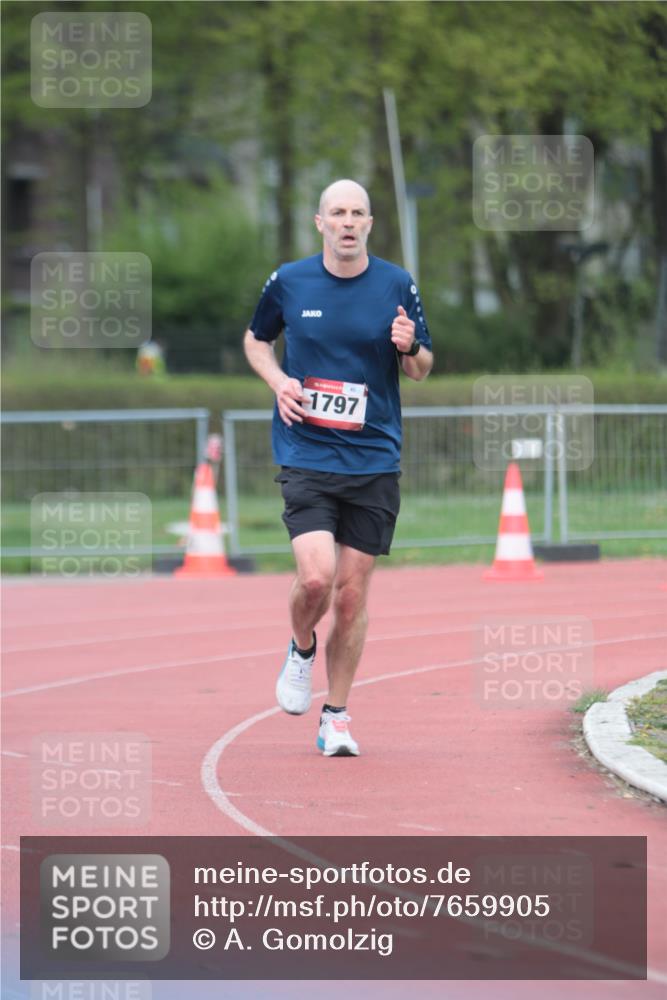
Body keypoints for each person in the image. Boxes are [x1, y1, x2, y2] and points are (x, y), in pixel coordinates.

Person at [243, 178, 433, 757]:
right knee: (318, 577)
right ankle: (301, 649)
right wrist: (279, 382)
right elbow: (256, 341)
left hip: (374, 458)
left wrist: (408, 346)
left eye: (358, 213)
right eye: (337, 213)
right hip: (307, 452)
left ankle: (337, 716)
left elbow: (422, 367)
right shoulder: (291, 280)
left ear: (370, 224)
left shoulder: (396, 283)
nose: (348, 222)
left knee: (351, 596)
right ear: (319, 222)